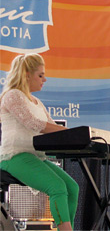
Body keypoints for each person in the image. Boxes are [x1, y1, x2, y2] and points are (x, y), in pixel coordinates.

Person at [0, 53, 79, 231]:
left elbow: (50, 126)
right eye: (40, 75)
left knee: (72, 187)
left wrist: (77, 136)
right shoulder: (13, 95)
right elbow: (34, 124)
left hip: (36, 157)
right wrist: (73, 133)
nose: (45, 79)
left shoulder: (37, 102)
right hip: (15, 156)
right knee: (57, 186)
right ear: (27, 74)